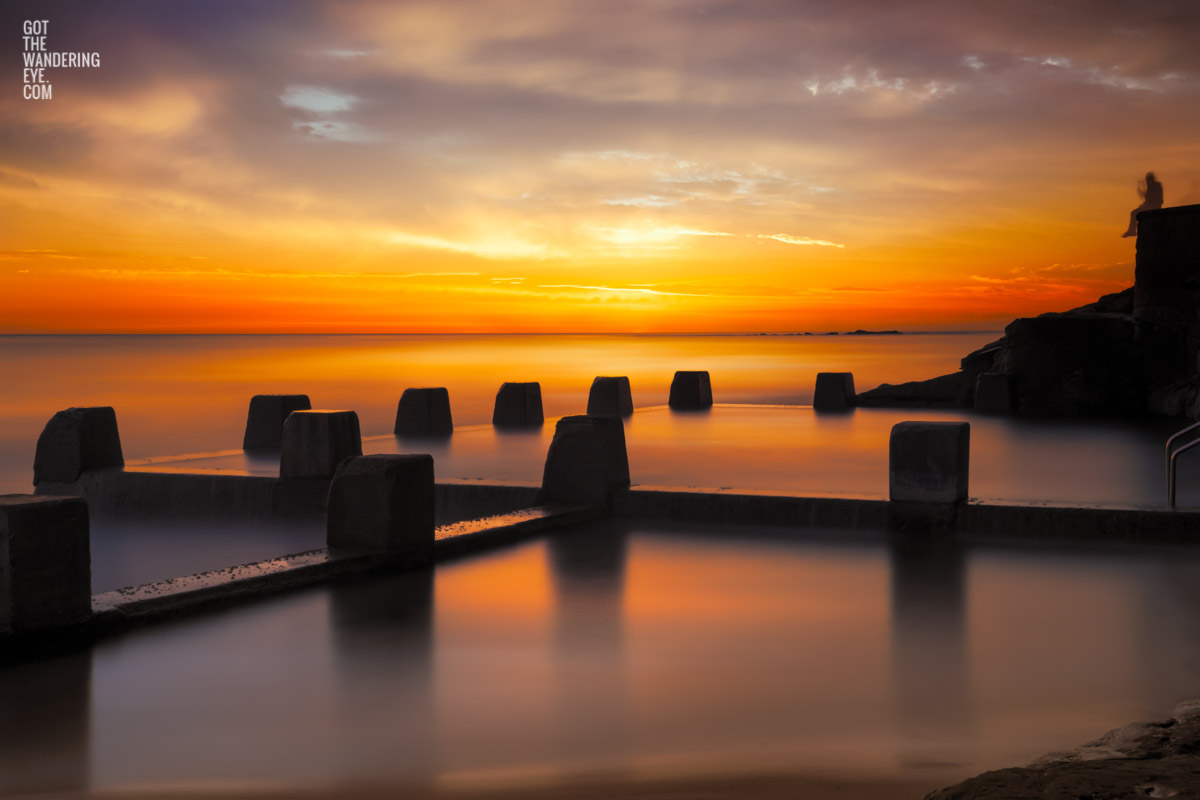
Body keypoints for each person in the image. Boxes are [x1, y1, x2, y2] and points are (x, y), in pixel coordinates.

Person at [1123, 171, 1163, 237]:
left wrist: (1145, 203)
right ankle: (1131, 230)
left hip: (1153, 207)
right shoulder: (1155, 186)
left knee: (1133, 213)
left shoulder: (1154, 186)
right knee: (1135, 212)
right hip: (1152, 206)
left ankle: (1132, 231)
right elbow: (1149, 199)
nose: (1147, 182)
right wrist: (1144, 204)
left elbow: (1152, 199)